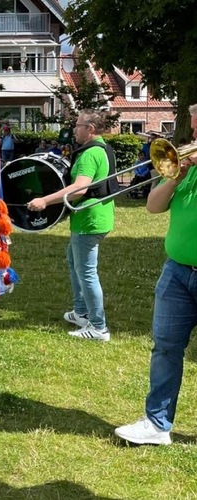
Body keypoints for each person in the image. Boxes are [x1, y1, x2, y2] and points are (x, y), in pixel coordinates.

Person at [114, 104, 197, 446]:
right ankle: (157, 423)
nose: (193, 137)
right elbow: (153, 206)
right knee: (165, 348)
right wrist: (176, 176)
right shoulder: (187, 168)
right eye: (194, 130)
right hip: (177, 272)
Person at [27, 109, 115, 341]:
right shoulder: (102, 148)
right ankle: (81, 312)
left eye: (78, 126)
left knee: (86, 272)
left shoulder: (89, 154)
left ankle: (98, 327)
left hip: (89, 219)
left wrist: (44, 200)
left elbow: (80, 189)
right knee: (74, 262)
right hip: (95, 217)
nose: (74, 129)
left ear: (91, 129)